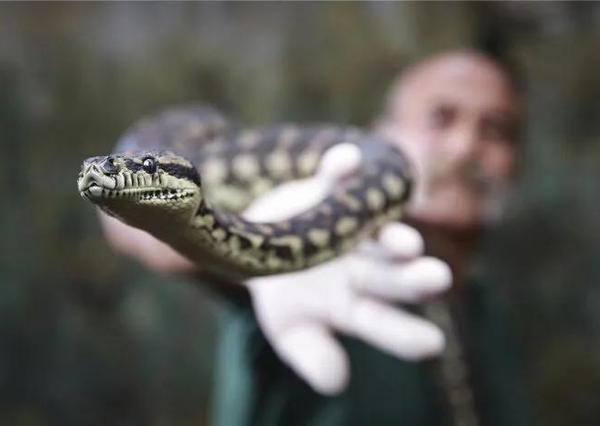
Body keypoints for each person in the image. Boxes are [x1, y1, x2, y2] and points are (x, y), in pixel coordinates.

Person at [98, 49, 530, 426]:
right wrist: (256, 233)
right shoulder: (314, 268)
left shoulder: (490, 307)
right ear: (382, 135)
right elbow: (130, 218)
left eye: (495, 129)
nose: (465, 146)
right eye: (441, 118)